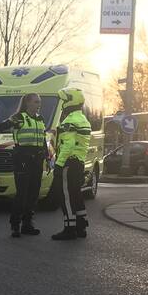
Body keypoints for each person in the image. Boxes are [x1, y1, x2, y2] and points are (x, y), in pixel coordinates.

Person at [0, 93, 48, 238]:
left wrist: (46, 156)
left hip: (37, 159)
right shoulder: (19, 117)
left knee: (33, 193)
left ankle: (27, 224)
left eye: (39, 102)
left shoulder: (40, 118)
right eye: (36, 102)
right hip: (22, 158)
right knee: (22, 193)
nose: (38, 105)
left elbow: (42, 139)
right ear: (27, 103)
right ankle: (15, 225)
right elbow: (0, 127)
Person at [51, 88, 92, 241]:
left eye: (64, 100)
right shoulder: (83, 119)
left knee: (66, 197)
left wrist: (59, 165)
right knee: (76, 195)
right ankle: (81, 226)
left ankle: (69, 229)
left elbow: (67, 145)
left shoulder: (69, 121)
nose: (62, 103)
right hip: (79, 163)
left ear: (70, 101)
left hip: (68, 164)